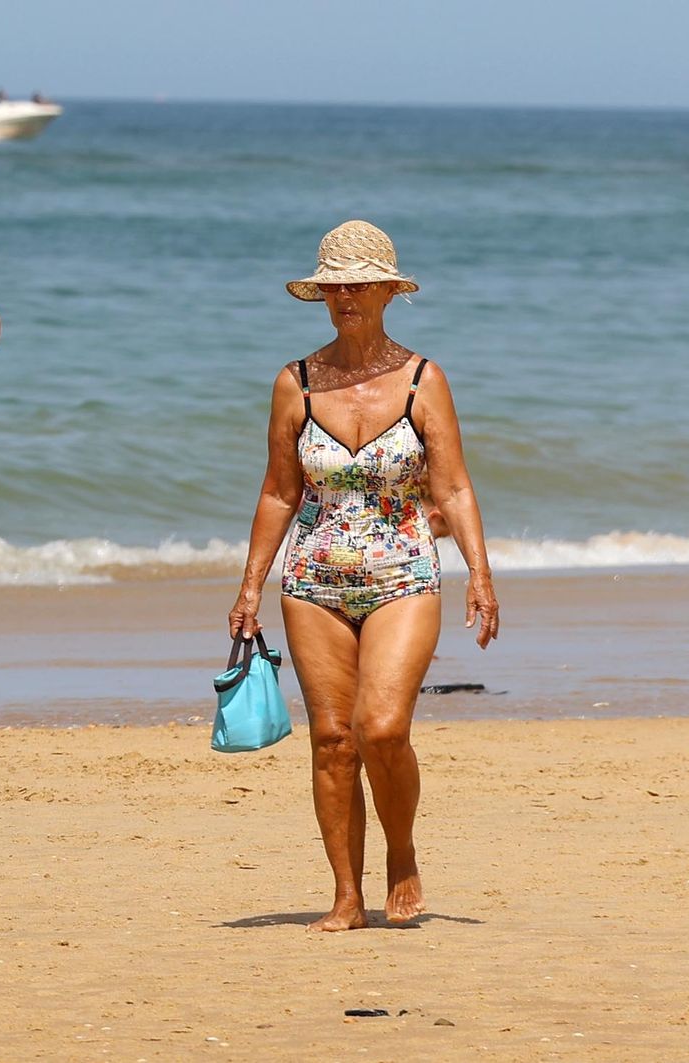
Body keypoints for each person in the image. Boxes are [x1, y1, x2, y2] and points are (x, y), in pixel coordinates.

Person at [227, 220, 499, 931]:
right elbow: (279, 491)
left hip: (404, 570)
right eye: (333, 286)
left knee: (380, 728)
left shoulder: (422, 379)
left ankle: (401, 852)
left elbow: (457, 487)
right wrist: (250, 584)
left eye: (358, 285)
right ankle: (346, 892)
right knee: (331, 739)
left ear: (386, 290)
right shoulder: (296, 383)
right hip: (311, 579)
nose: (345, 297)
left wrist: (480, 573)